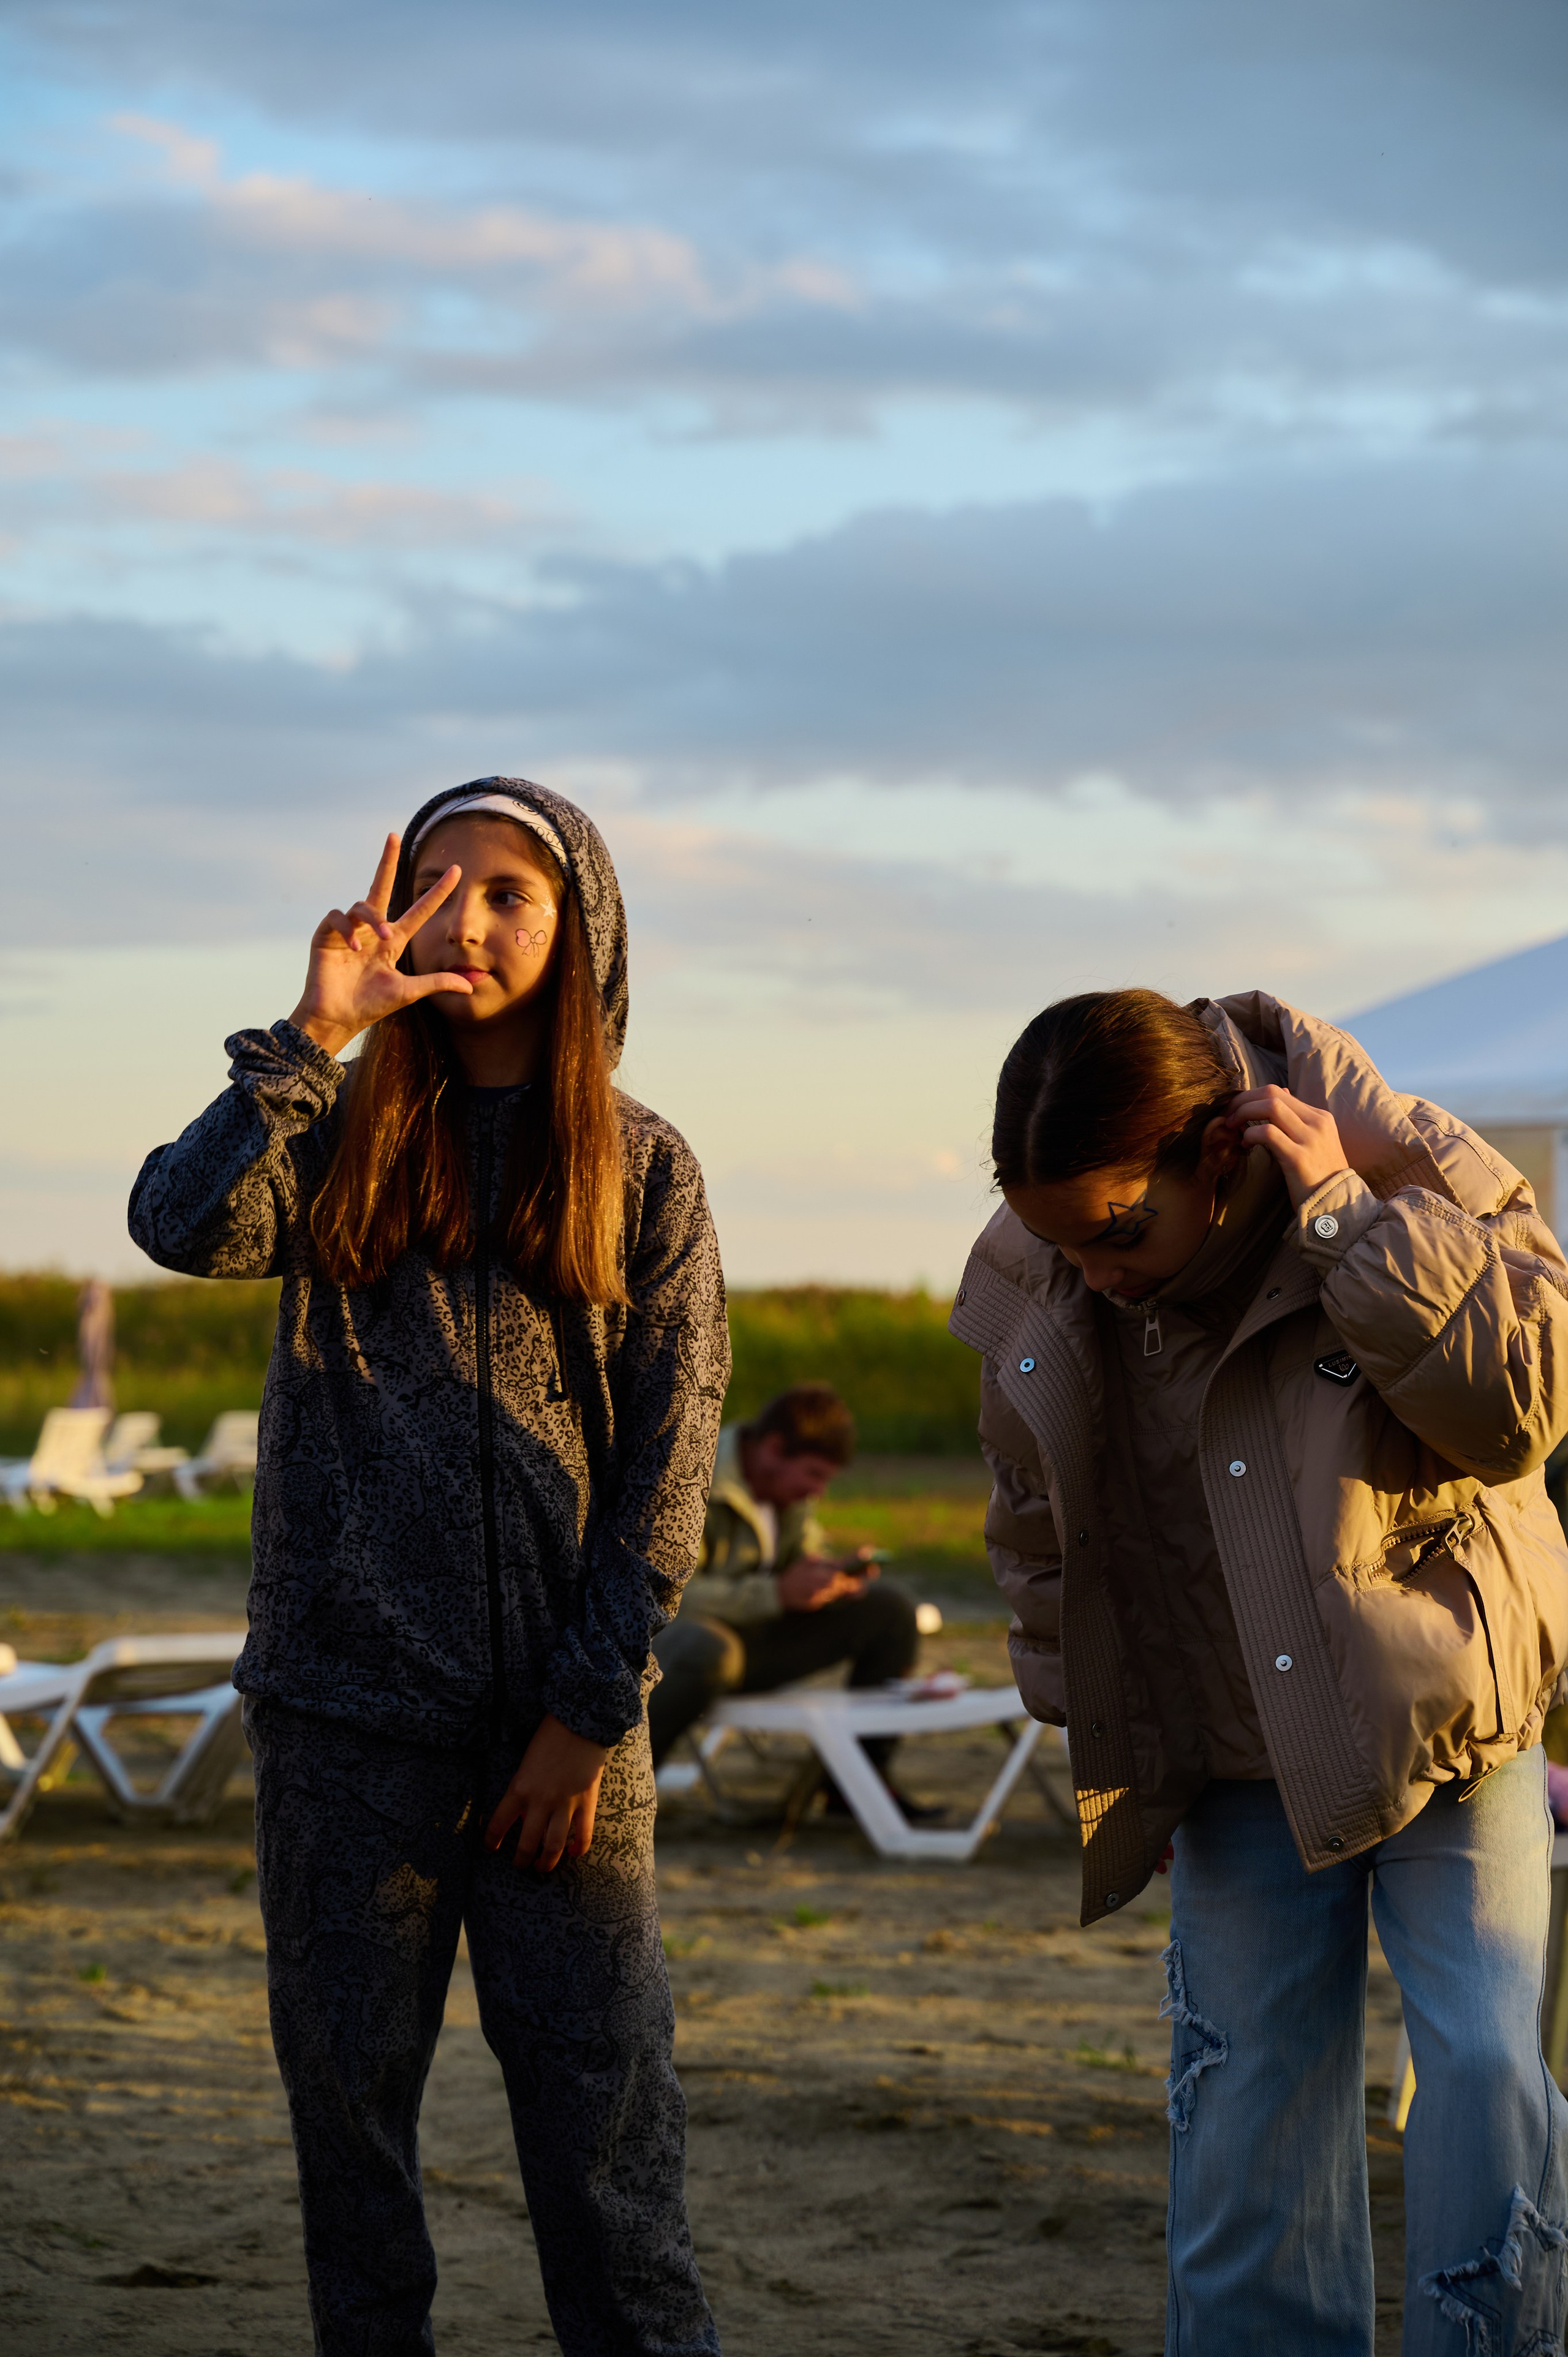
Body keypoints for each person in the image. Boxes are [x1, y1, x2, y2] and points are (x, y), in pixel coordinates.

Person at [129, 777, 726, 2357]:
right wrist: (307, 1039)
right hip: (341, 1731)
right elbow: (178, 1224)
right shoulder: (331, 1134)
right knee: (353, 2158)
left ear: (582, 930)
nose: (464, 920)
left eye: (508, 891)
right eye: (434, 885)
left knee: (609, 2165)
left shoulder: (645, 1167)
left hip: (562, 1753)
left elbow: (669, 1470)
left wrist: (584, 1718)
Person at [949, 986, 1568, 2356]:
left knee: (1483, 2072)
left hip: (1447, 1723)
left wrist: (1347, 1220)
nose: (1096, 1272)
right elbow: (1037, 1528)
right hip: (1229, 1747)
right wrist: (1118, 1741)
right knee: (1243, 2114)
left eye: (1121, 1231)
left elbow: (1520, 1411)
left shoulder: (1403, 1161)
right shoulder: (1042, 1266)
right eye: (1063, 1240)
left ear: (1214, 1153)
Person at [647, 1382, 935, 1815]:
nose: (818, 1491)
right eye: (814, 1475)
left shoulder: (784, 1491)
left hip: (754, 1641)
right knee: (713, 1650)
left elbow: (803, 1555)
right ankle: (622, 1791)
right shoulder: (690, 1472)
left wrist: (829, 1577)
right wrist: (778, 1594)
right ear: (774, 1448)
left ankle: (857, 1786)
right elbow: (667, 1597)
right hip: (681, 1655)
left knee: (889, 1610)